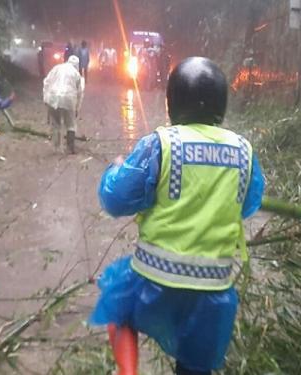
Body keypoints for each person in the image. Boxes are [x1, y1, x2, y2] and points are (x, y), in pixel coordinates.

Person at [89, 57, 265, 375]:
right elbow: (249, 205)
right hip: (214, 292)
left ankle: (128, 373)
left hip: (154, 280)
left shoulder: (161, 143)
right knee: (195, 367)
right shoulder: (244, 150)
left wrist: (115, 169)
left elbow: (115, 200)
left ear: (172, 103)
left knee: (119, 303)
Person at [43, 55, 84, 154]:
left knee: (56, 124)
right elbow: (80, 93)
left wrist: (46, 99)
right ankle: (70, 148)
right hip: (69, 99)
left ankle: (56, 148)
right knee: (71, 124)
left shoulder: (56, 68)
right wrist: (77, 109)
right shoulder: (76, 74)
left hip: (52, 98)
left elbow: (46, 82)